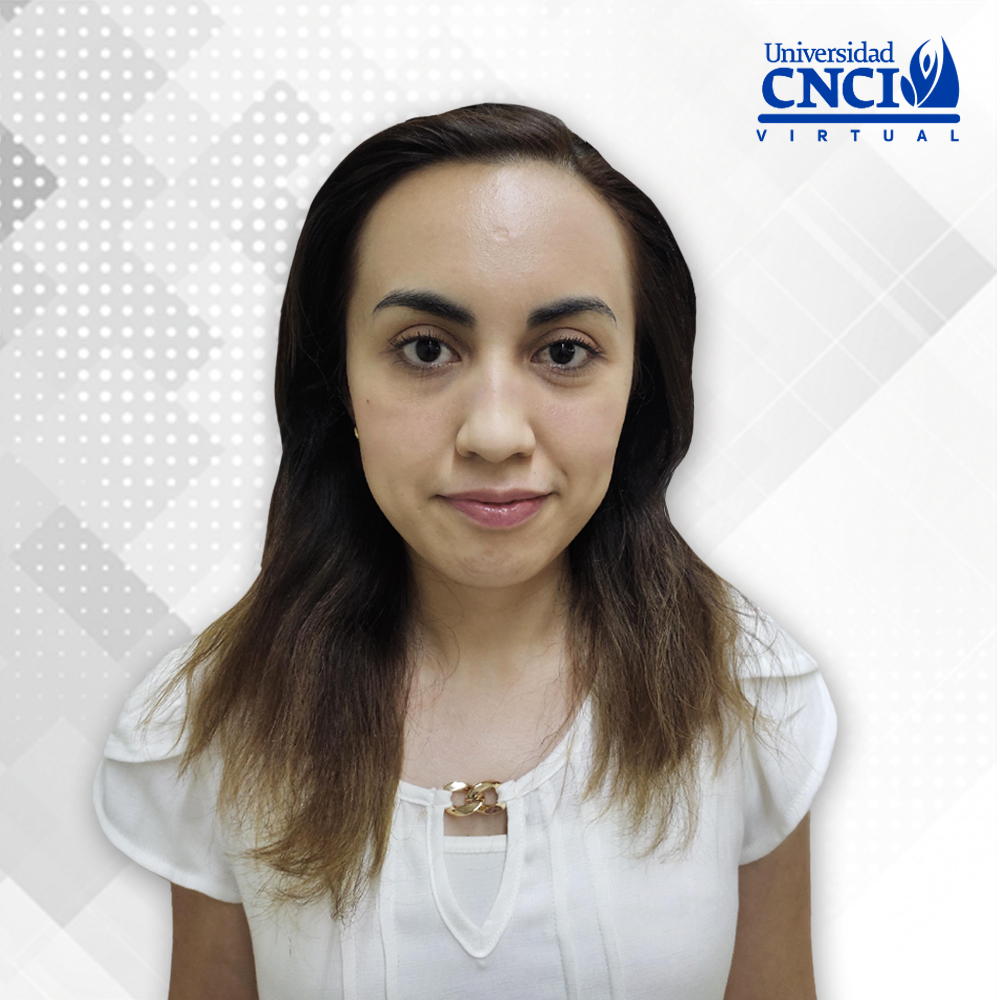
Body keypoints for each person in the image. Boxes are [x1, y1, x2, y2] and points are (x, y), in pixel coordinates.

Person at [93, 103, 837, 999]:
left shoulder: (746, 692)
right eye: (424, 349)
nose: (494, 433)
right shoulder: (216, 719)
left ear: (640, 383)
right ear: (340, 382)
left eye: (564, 352)